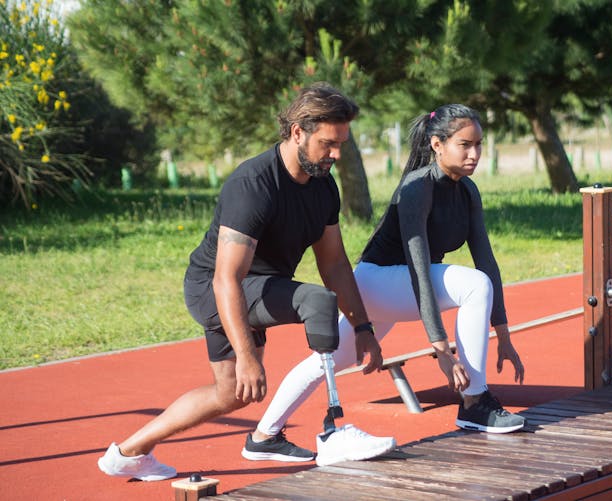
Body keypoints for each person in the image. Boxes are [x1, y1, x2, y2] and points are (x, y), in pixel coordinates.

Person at [97, 83, 396, 481]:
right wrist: (248, 356)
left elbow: (336, 263)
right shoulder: (253, 184)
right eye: (328, 144)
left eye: (341, 143)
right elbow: (226, 278)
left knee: (229, 395)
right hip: (216, 288)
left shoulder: (324, 185)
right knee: (316, 301)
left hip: (255, 286)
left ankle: (128, 453)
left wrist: (362, 328)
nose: (337, 155)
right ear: (297, 132)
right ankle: (333, 430)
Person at [248, 103, 525, 463]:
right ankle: (474, 402)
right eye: (465, 145)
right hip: (378, 281)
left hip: (396, 288)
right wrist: (442, 350)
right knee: (474, 285)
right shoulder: (416, 188)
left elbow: (487, 261)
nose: (474, 154)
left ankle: (263, 435)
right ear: (437, 144)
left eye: (478, 145)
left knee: (330, 360)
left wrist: (503, 335)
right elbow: (419, 267)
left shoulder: (467, 191)